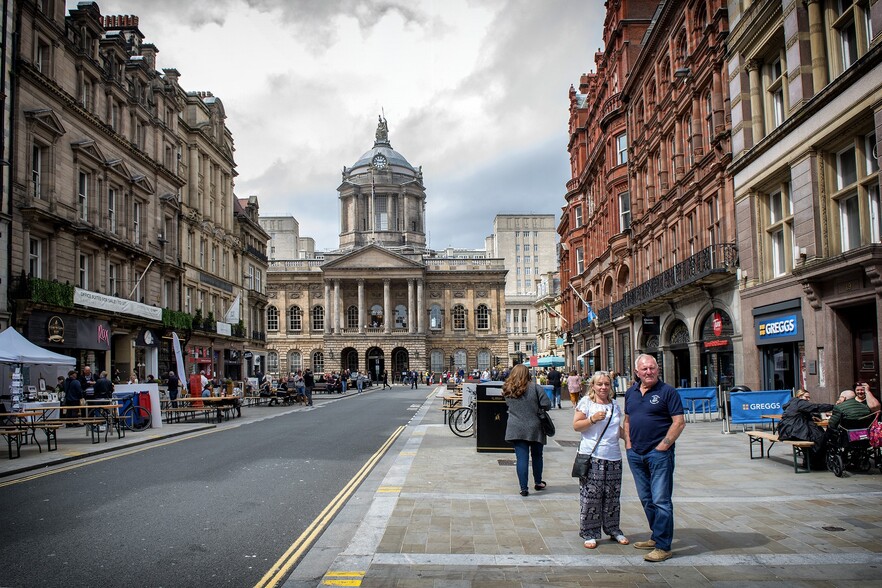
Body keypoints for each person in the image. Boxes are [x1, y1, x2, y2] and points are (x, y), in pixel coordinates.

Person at [623, 354, 685, 563]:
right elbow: (628, 420)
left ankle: (663, 545)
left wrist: (662, 448)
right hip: (636, 454)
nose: (649, 372)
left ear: (658, 369)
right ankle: (656, 535)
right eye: (645, 369)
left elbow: (679, 422)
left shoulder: (668, 392)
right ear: (637, 372)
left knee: (661, 500)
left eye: (652, 368)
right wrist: (629, 445)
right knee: (646, 499)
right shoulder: (631, 392)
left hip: (658, 455)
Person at [573, 371, 628, 549]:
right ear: (593, 386)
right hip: (593, 456)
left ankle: (613, 529)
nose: (603, 387)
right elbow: (576, 426)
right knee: (591, 496)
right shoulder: (586, 403)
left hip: (613, 456)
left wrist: (629, 439)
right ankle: (590, 532)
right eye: (600, 384)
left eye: (606, 384)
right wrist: (592, 419)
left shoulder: (614, 404)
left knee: (612, 496)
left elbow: (616, 429)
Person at [502, 364, 551, 497]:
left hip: (516, 427)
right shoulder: (535, 388)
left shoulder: (507, 389)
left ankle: (523, 488)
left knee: (521, 458)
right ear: (527, 374)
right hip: (535, 426)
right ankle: (538, 482)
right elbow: (547, 404)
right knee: (537, 456)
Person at [778, 389, 833, 468]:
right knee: (819, 437)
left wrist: (812, 416)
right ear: (800, 396)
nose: (808, 399)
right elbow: (816, 407)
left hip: (785, 431)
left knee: (816, 435)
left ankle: (811, 461)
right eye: (806, 397)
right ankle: (816, 462)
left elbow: (805, 411)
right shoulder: (801, 402)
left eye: (809, 397)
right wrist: (833, 406)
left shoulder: (793, 402)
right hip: (794, 431)